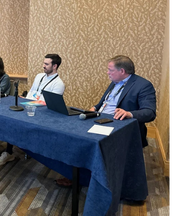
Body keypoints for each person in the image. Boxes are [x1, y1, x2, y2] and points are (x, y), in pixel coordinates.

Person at [55, 55, 157, 187]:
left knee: (88, 142)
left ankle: (85, 179)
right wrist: (94, 108)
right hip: (100, 119)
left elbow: (150, 112)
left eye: (110, 70)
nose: (107, 73)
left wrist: (129, 113)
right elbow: (104, 103)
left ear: (122, 71)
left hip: (119, 126)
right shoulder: (115, 82)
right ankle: (75, 173)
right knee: (70, 132)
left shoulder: (143, 85)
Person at [0, 54, 65, 166]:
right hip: (29, 107)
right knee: (10, 118)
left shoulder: (59, 84)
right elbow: (32, 92)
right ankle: (8, 152)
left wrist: (29, 102)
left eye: (46, 64)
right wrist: (26, 99)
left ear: (55, 66)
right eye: (43, 63)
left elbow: (47, 104)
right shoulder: (39, 76)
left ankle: (22, 149)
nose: (43, 66)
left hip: (42, 114)